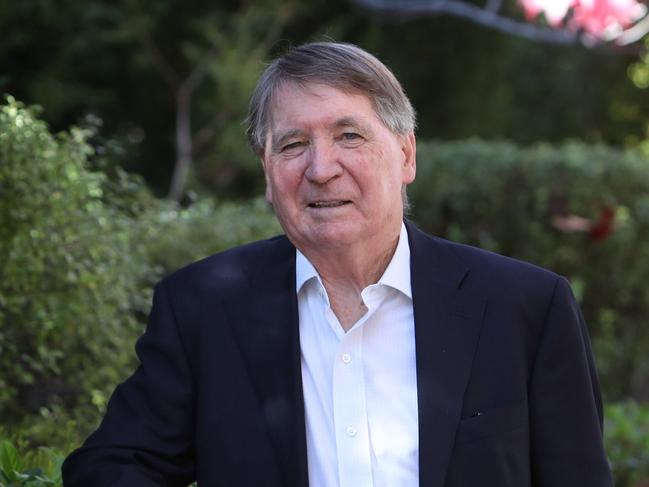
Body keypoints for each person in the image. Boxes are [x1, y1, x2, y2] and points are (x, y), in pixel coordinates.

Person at [62, 42, 613, 487]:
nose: (321, 169)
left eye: (349, 136)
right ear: (267, 171)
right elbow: (110, 468)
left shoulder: (525, 307)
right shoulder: (203, 306)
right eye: (293, 144)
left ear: (405, 155)